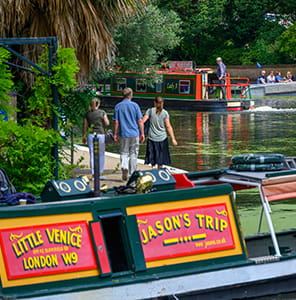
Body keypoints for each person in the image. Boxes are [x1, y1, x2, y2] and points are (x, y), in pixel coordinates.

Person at [113, 87, 145, 180]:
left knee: (124, 152)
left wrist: (115, 134)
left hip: (123, 133)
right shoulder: (135, 106)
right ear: (131, 95)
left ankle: (124, 166)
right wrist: (142, 133)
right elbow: (140, 120)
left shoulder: (118, 106)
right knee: (133, 153)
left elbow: (116, 122)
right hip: (134, 133)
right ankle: (132, 173)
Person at [143, 97, 177, 169]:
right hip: (162, 138)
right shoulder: (165, 113)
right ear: (162, 103)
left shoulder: (150, 111)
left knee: (152, 157)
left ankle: (153, 171)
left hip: (152, 138)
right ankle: (159, 170)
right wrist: (173, 139)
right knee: (160, 159)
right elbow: (168, 126)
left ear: (154, 103)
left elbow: (143, 121)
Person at [83, 97, 110, 179]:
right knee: (101, 154)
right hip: (100, 134)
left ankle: (94, 174)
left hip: (91, 135)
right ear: (98, 104)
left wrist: (84, 136)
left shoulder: (87, 113)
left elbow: (85, 126)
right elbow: (107, 123)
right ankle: (100, 173)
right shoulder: (102, 112)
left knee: (92, 154)